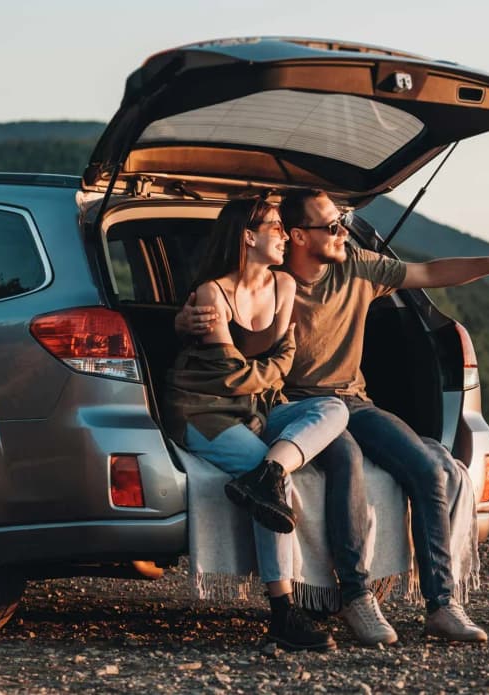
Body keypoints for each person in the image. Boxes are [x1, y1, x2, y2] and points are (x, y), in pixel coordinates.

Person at [178, 189, 489, 645]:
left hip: (352, 400)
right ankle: (357, 598)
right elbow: (226, 311)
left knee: (428, 467)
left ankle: (442, 604)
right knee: (346, 461)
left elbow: (430, 272)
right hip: (293, 405)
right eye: (331, 225)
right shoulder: (270, 276)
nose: (343, 231)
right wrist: (184, 320)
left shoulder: (356, 266)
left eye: (342, 223)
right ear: (296, 235)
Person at [164, 198, 351, 651]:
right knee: (278, 493)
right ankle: (284, 613)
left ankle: (269, 471)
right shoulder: (212, 293)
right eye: (276, 227)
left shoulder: (284, 285)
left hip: (256, 409)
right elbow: (229, 373)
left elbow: (282, 363)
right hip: (202, 410)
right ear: (248, 235)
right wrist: (267, 374)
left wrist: (267, 378)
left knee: (334, 410)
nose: (286, 235)